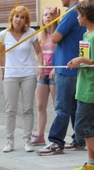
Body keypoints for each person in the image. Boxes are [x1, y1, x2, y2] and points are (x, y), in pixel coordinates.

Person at [37, 0, 86, 156]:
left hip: (66, 68)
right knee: (73, 108)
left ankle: (56, 141)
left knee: (62, 107)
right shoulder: (76, 12)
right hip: (73, 67)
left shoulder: (72, 12)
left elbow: (54, 38)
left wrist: (55, 21)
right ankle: (79, 139)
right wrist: (57, 20)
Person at [0, 5, 44, 153]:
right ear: (12, 17)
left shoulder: (31, 33)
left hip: (28, 74)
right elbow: (1, 54)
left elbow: (39, 51)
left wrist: (41, 66)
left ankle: (27, 140)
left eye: (22, 17)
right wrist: (4, 72)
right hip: (11, 75)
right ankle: (9, 141)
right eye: (17, 16)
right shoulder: (4, 34)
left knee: (28, 108)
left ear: (26, 21)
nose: (19, 19)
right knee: (10, 109)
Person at [68, 0, 94, 170]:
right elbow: (87, 59)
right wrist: (78, 61)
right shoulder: (86, 35)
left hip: (91, 88)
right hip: (84, 85)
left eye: (78, 15)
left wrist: (81, 60)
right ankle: (91, 162)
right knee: (87, 127)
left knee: (82, 127)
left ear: (85, 16)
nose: (77, 18)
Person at [32, 7, 58, 146]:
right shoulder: (40, 36)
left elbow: (61, 53)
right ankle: (40, 135)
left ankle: (56, 137)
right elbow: (37, 54)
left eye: (49, 14)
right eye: (45, 14)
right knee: (40, 105)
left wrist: (54, 68)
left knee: (57, 106)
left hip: (55, 74)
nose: (47, 17)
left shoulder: (58, 34)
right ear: (41, 19)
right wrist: (40, 64)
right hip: (42, 74)